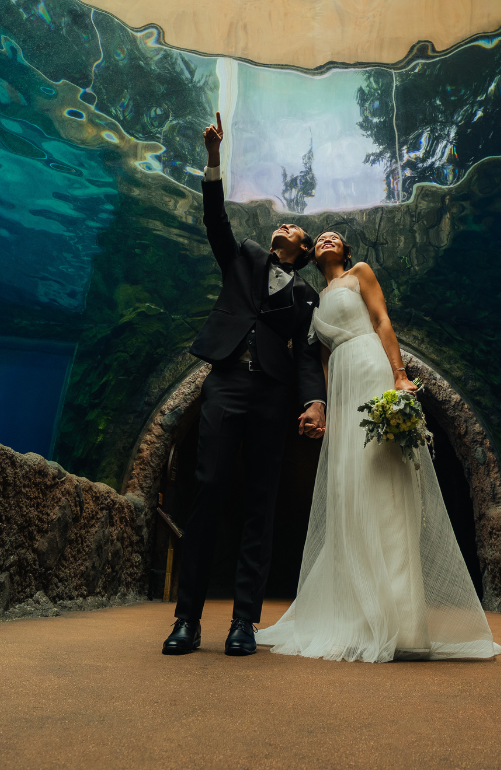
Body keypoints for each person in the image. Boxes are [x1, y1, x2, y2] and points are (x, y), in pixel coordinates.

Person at [256, 229, 501, 661]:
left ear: (346, 250)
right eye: (323, 237)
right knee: (347, 489)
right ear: (313, 253)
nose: (329, 239)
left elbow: (382, 320)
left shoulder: (360, 273)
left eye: (337, 237)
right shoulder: (314, 298)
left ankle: (402, 623)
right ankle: (355, 615)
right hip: (343, 381)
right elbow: (323, 357)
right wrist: (327, 407)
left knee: (383, 480)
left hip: (370, 365)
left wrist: (399, 373)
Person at [162, 113, 328, 657]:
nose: (281, 227)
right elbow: (216, 220)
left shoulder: (307, 296)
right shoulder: (244, 259)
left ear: (302, 251)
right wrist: (213, 159)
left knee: (261, 499)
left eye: (292, 228)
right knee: (208, 488)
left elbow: (306, 355)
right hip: (227, 382)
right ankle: (186, 620)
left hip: (272, 397)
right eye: (279, 225)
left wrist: (314, 401)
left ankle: (243, 623)